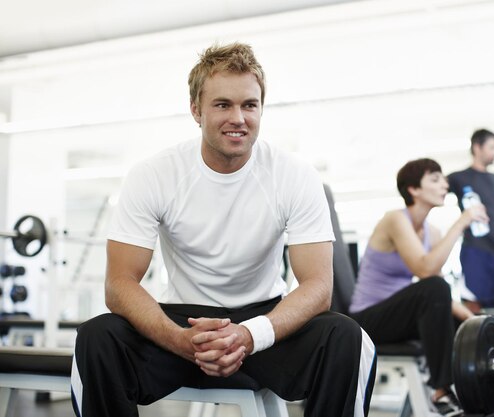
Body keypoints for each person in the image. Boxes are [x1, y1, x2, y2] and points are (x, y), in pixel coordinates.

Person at [70, 42, 376, 417]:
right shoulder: (154, 175)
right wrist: (180, 339)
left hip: (264, 324)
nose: (239, 118)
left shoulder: (295, 176)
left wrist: (249, 335)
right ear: (196, 110)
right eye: (222, 105)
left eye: (250, 105)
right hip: (182, 322)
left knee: (347, 339)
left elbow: (318, 287)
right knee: (97, 338)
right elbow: (119, 285)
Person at [349, 158, 485, 416]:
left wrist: (474, 321)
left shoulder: (431, 232)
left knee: (462, 324)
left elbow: (441, 295)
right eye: (435, 179)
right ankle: (441, 390)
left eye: (443, 179)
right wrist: (460, 223)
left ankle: (473, 391)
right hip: (367, 319)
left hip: (399, 317)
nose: (444, 184)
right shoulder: (394, 220)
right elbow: (424, 271)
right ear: (413, 189)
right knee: (433, 287)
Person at [447, 128, 494, 315]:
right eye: (491, 147)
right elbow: (433, 192)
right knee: (472, 310)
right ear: (477, 147)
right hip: (474, 251)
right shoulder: (458, 177)